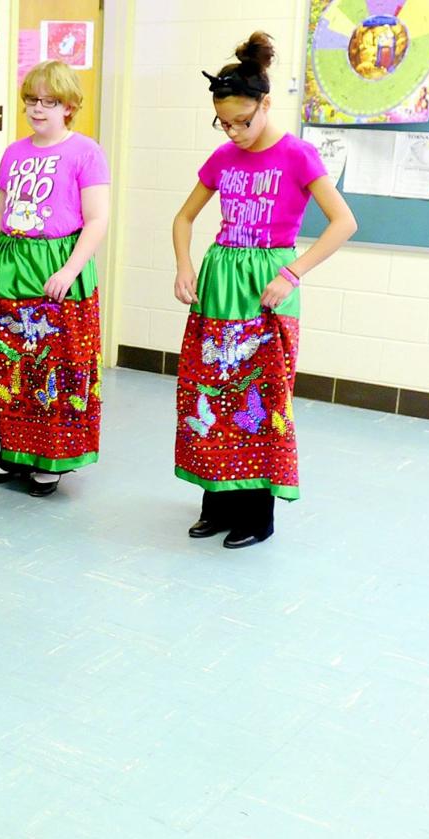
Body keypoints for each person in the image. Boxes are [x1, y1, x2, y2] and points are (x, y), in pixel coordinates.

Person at [172, 32, 356, 548]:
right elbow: (184, 218)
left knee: (259, 399)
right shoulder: (224, 158)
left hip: (267, 289)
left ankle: (257, 514)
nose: (233, 132)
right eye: (223, 122)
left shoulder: (296, 155)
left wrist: (292, 272)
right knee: (210, 394)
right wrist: (184, 265)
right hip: (219, 287)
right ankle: (217, 502)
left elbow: (343, 222)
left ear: (265, 104)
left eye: (242, 121)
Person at [0, 60, 110, 497]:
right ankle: (13, 451)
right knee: (10, 365)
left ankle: (50, 458)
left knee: (56, 367)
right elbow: (0, 210)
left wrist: (70, 269)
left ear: (69, 107)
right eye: (32, 100)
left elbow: (97, 219)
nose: (38, 109)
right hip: (12, 268)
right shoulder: (14, 152)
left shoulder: (86, 151)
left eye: (50, 102)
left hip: (55, 268)